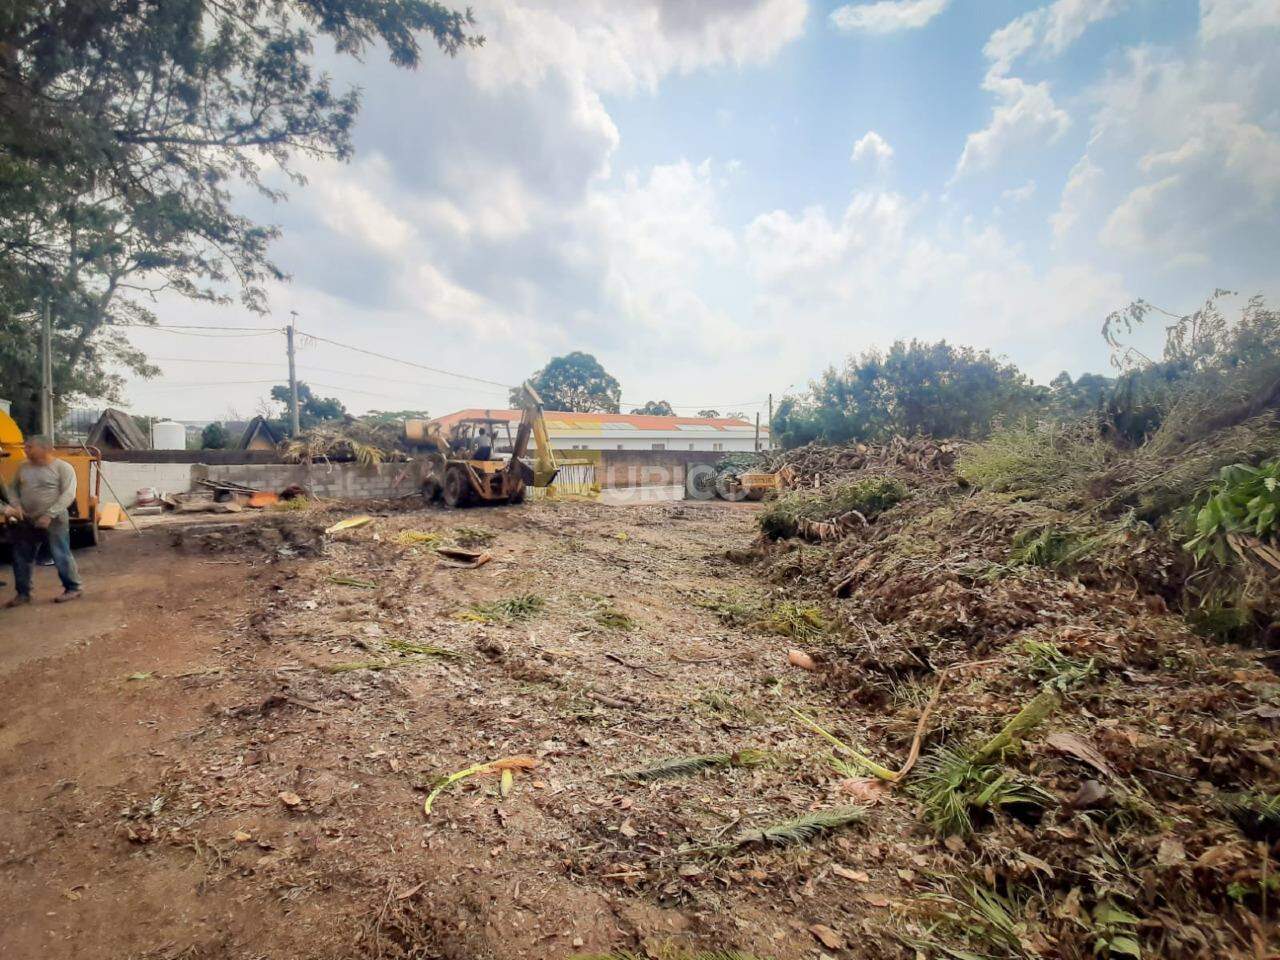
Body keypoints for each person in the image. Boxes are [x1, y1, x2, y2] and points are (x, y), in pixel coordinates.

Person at [2, 435, 82, 607]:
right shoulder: (23, 467)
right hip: (27, 520)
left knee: (60, 553)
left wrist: (49, 514)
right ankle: (23, 593)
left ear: (44, 448)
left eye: (30, 447)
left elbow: (68, 494)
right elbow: (12, 489)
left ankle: (73, 588)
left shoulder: (63, 468)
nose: (25, 450)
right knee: (21, 556)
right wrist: (16, 506)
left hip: (55, 520)